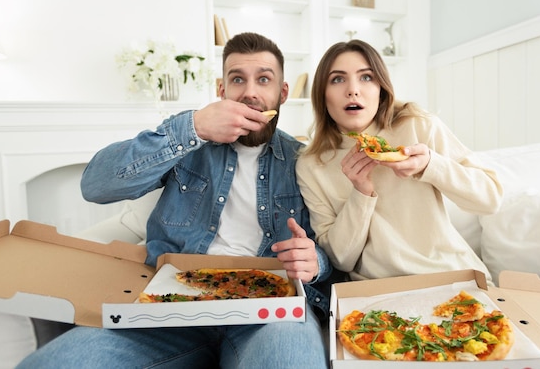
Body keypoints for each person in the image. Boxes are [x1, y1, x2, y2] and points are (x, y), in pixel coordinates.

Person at [18, 32, 332, 369]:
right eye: (237, 79)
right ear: (221, 89)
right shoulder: (187, 142)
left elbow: (332, 253)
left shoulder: (306, 162)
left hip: (267, 316)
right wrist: (193, 128)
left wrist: (316, 263)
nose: (250, 92)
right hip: (169, 313)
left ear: (282, 93)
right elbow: (95, 186)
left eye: (264, 79)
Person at [296, 39, 502, 282]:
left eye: (366, 77)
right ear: (322, 95)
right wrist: (360, 193)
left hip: (451, 275)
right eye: (338, 79)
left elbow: (490, 201)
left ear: (381, 89)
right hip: (377, 290)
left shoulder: (418, 126)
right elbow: (341, 259)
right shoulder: (311, 164)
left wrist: (430, 165)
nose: (353, 90)